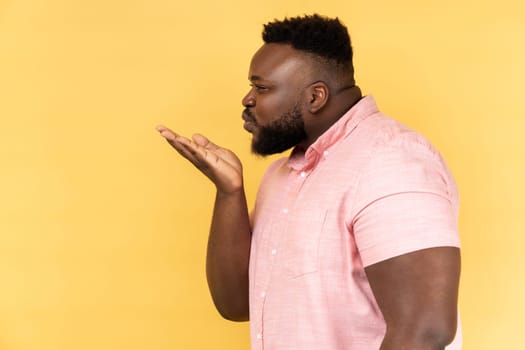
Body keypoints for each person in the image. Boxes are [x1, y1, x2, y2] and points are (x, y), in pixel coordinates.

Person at [156, 14, 461, 350]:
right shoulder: (281, 176)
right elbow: (237, 304)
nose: (247, 99)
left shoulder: (391, 161)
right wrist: (229, 192)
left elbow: (426, 331)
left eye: (261, 87)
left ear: (316, 97)